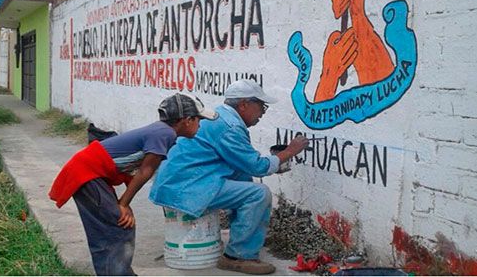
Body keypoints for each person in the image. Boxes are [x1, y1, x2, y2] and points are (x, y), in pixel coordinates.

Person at [149, 79, 309, 275]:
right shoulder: (230, 127)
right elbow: (258, 166)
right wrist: (290, 151)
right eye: (261, 106)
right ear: (244, 105)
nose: (263, 112)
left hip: (179, 181)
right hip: (186, 187)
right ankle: (237, 256)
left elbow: (244, 166)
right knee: (259, 194)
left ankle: (245, 236)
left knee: (241, 174)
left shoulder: (222, 116)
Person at [49, 93, 217, 276]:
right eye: (198, 120)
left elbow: (135, 167)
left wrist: (123, 203)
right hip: (88, 174)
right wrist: (123, 204)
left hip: (90, 173)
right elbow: (145, 171)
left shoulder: (161, 131)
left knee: (112, 227)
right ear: (186, 120)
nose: (199, 125)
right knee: (116, 227)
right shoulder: (165, 133)